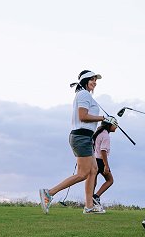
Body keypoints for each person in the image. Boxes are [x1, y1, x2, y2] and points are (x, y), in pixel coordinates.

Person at [39, 70, 117, 215]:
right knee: (82, 173)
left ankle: (89, 207)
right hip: (81, 136)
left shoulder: (86, 95)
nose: (95, 82)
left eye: (96, 80)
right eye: (92, 79)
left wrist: (103, 119)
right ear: (85, 80)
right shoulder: (83, 94)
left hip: (85, 137)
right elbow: (83, 116)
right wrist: (103, 119)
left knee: (93, 170)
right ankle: (49, 193)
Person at [92, 117, 118, 207]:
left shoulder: (98, 133)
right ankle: (95, 196)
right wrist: (106, 165)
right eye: (115, 125)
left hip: (93, 160)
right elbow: (103, 151)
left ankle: (90, 202)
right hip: (100, 161)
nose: (116, 127)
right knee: (110, 180)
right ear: (109, 125)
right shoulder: (106, 136)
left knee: (93, 181)